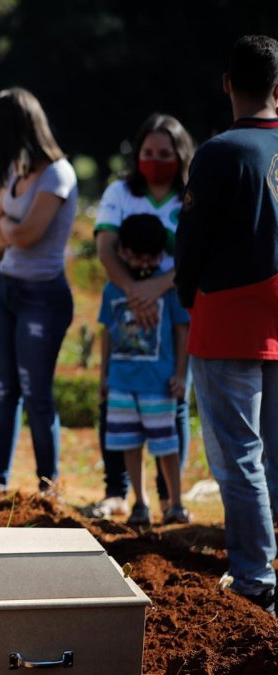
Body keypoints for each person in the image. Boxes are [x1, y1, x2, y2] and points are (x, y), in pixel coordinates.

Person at [175, 34, 278, 617]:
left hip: (229, 318)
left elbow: (191, 244)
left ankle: (255, 577)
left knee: (240, 455)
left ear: (226, 84)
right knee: (274, 455)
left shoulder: (219, 152)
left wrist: (189, 295)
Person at [91, 113, 196, 519]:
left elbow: (195, 256)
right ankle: (123, 493)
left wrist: (159, 287)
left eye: (165, 153)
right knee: (121, 414)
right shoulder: (120, 192)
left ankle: (171, 497)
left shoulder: (190, 196)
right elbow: (106, 248)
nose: (155, 159)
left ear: (180, 154)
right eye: (148, 152)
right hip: (129, 306)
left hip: (173, 305)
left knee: (172, 408)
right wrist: (135, 292)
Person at [0, 87, 77, 494]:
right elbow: (1, 229)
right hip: (6, 290)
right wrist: (7, 230)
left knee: (37, 393)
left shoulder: (58, 174)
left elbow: (21, 234)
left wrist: (6, 228)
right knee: (3, 390)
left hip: (42, 296)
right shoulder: (16, 172)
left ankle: (47, 487)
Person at [98, 214, 191, 526]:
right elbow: (108, 332)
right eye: (135, 256)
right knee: (129, 445)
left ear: (161, 255)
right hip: (123, 382)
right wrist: (104, 377)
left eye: (150, 257)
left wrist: (180, 374)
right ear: (122, 252)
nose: (141, 263)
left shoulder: (169, 290)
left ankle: (175, 502)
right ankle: (140, 502)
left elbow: (182, 330)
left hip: (158, 383)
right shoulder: (113, 290)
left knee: (166, 445)